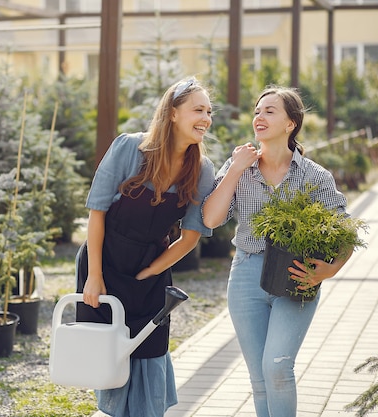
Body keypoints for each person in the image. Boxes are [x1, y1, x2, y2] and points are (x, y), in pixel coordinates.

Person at [201, 85, 353, 417]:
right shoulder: (239, 166)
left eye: (270, 111)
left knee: (277, 368)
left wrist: (329, 270)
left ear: (290, 124)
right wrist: (237, 168)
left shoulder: (314, 176)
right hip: (245, 276)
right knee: (259, 379)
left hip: (296, 277)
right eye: (257, 111)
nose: (259, 116)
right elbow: (211, 218)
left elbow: (346, 230)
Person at [75, 76, 215, 417]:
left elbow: (191, 237)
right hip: (104, 264)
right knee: (109, 357)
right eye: (198, 110)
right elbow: (97, 214)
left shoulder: (202, 170)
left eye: (209, 112)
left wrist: (152, 270)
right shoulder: (129, 149)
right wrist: (94, 276)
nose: (206, 119)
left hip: (151, 272)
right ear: (172, 113)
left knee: (150, 353)